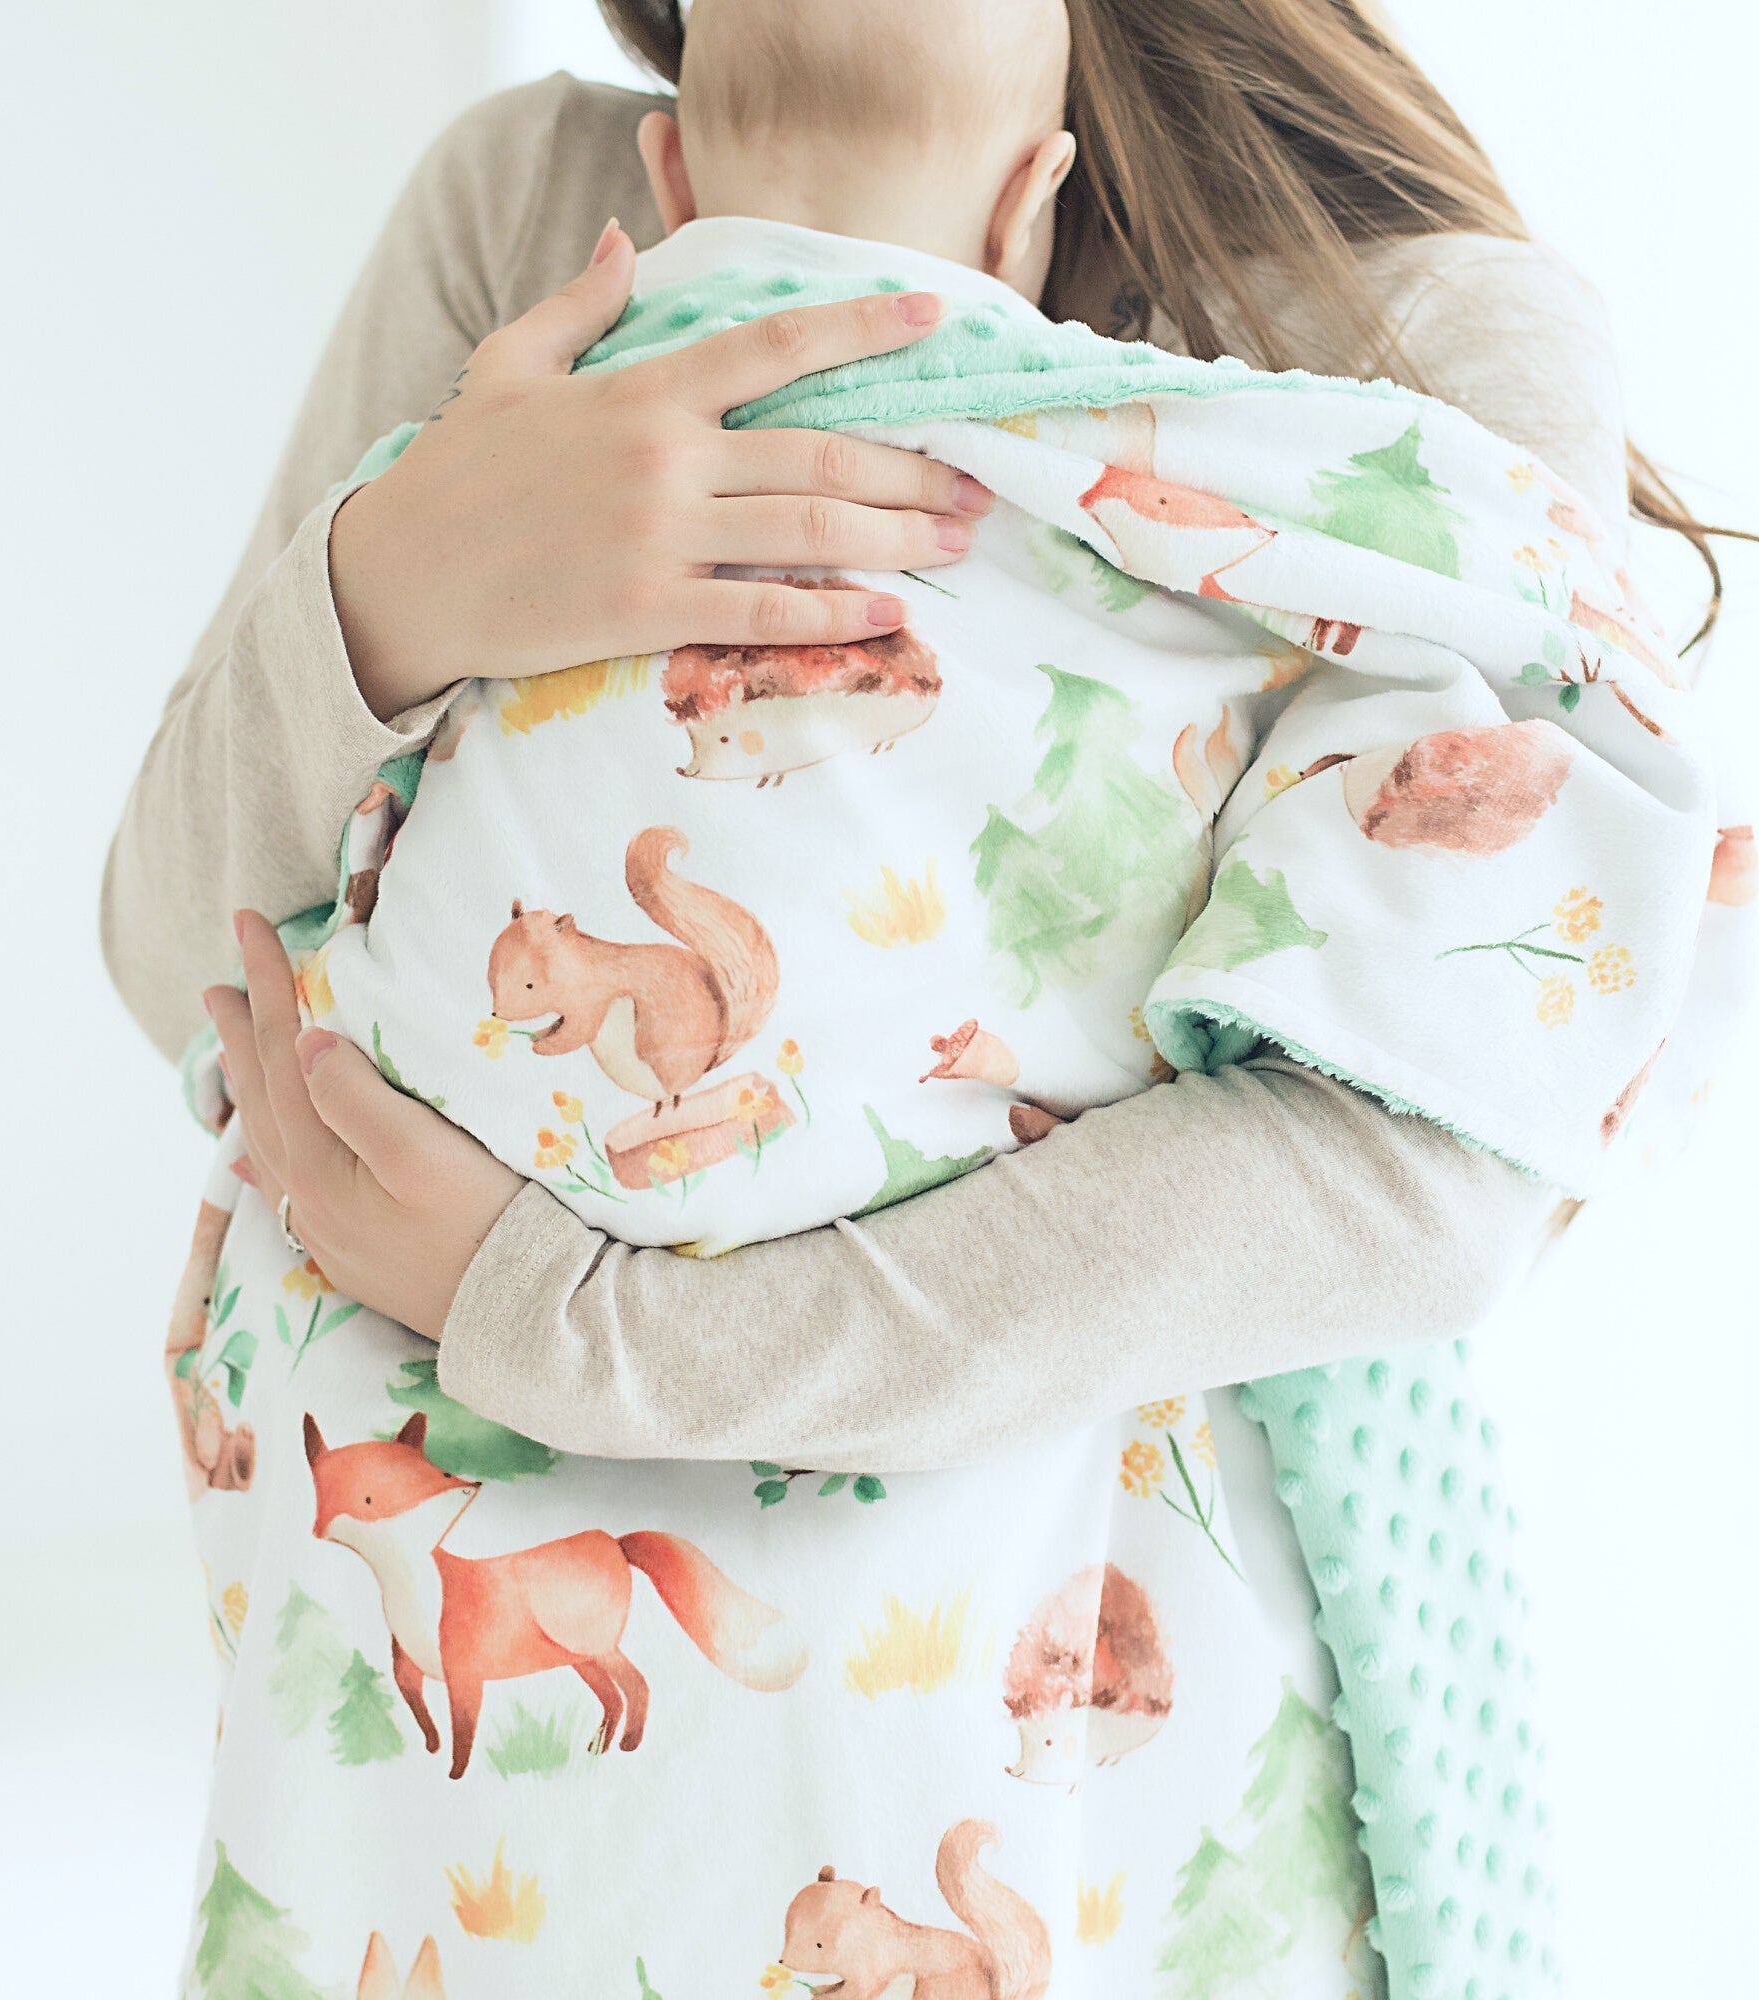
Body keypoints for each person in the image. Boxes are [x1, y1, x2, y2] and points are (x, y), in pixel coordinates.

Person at [111, 7, 1685, 1985]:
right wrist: (392, 582)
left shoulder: (1420, 350)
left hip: (1078, 1736)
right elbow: (177, 944)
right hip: (475, 1787)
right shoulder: (531, 207)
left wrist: (588, 1328)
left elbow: (1413, 1172)